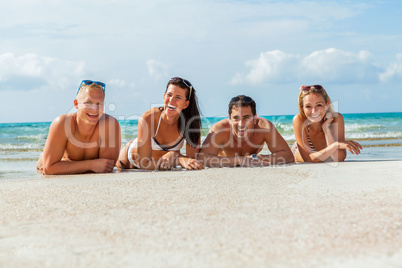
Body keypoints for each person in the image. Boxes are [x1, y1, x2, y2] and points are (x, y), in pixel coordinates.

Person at [116, 77, 203, 170]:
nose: (171, 100)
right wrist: (177, 158)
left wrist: (177, 156)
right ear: (164, 96)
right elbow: (144, 163)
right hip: (127, 161)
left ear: (186, 104)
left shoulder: (191, 123)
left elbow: (192, 161)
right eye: (169, 95)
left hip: (158, 165)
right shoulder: (148, 118)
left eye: (178, 97)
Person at [36, 80, 121, 175]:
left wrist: (61, 165)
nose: (94, 109)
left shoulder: (110, 125)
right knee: (44, 162)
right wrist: (90, 165)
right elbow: (49, 169)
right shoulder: (62, 123)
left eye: (99, 104)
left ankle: (50, 158)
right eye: (88, 102)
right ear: (76, 104)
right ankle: (44, 157)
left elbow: (106, 167)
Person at [199, 95, 294, 167]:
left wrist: (257, 158)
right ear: (229, 118)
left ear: (255, 118)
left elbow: (288, 156)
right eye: (236, 118)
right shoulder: (219, 130)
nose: (241, 124)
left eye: (246, 118)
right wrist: (240, 160)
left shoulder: (264, 127)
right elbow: (202, 158)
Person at [292, 85, 362, 162]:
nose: (314, 111)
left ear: (326, 105)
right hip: (301, 155)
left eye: (318, 105)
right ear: (302, 108)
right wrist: (336, 145)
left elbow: (339, 158)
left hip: (322, 154)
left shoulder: (336, 119)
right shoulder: (299, 120)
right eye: (308, 106)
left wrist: (326, 129)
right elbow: (308, 159)